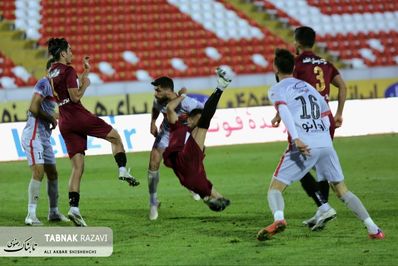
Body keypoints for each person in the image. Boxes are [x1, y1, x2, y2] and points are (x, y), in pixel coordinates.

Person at [257, 49, 384, 241]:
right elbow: (327, 116)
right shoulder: (309, 88)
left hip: (304, 143)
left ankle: (279, 219)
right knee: (342, 190)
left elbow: (283, 109)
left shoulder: (278, 88)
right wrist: (322, 138)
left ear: (275, 67)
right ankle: (373, 229)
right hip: (325, 143)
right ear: (294, 67)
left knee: (275, 188)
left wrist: (296, 137)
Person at [47, 37, 139, 227]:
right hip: (78, 115)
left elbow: (66, 88)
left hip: (64, 120)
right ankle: (122, 170)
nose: (72, 53)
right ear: (63, 53)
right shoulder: (69, 70)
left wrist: (85, 72)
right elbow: (75, 96)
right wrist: (86, 85)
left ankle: (74, 208)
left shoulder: (52, 71)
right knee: (116, 137)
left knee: (77, 167)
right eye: (70, 50)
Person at [271, 26, 347, 230]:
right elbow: (343, 86)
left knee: (298, 162)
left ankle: (323, 206)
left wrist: (279, 114)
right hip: (326, 118)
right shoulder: (326, 63)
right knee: (321, 166)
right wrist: (339, 113)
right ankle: (322, 209)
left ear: (296, 42)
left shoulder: (296, 64)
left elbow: (293, 92)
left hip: (304, 120)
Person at [162, 67, 231, 212]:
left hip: (186, 166)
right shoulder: (179, 124)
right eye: (196, 119)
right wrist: (182, 96)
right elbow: (169, 108)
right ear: (190, 118)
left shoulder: (185, 130)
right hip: (184, 160)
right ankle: (220, 87)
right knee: (206, 121)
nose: (197, 122)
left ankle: (213, 199)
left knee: (202, 184)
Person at [21, 58, 69, 225]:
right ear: (50, 70)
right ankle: (31, 215)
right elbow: (33, 108)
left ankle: (53, 212)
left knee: (53, 173)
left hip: (44, 138)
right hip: (34, 135)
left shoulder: (54, 88)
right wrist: (51, 119)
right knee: (38, 172)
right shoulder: (44, 83)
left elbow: (51, 112)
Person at [148, 76, 203, 220]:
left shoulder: (186, 103)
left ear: (167, 90)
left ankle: (192, 186)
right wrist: (153, 122)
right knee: (153, 161)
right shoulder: (158, 101)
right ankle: (153, 202)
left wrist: (196, 133)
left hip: (182, 134)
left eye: (158, 90)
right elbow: (155, 108)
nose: (155, 93)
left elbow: (203, 113)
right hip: (166, 133)